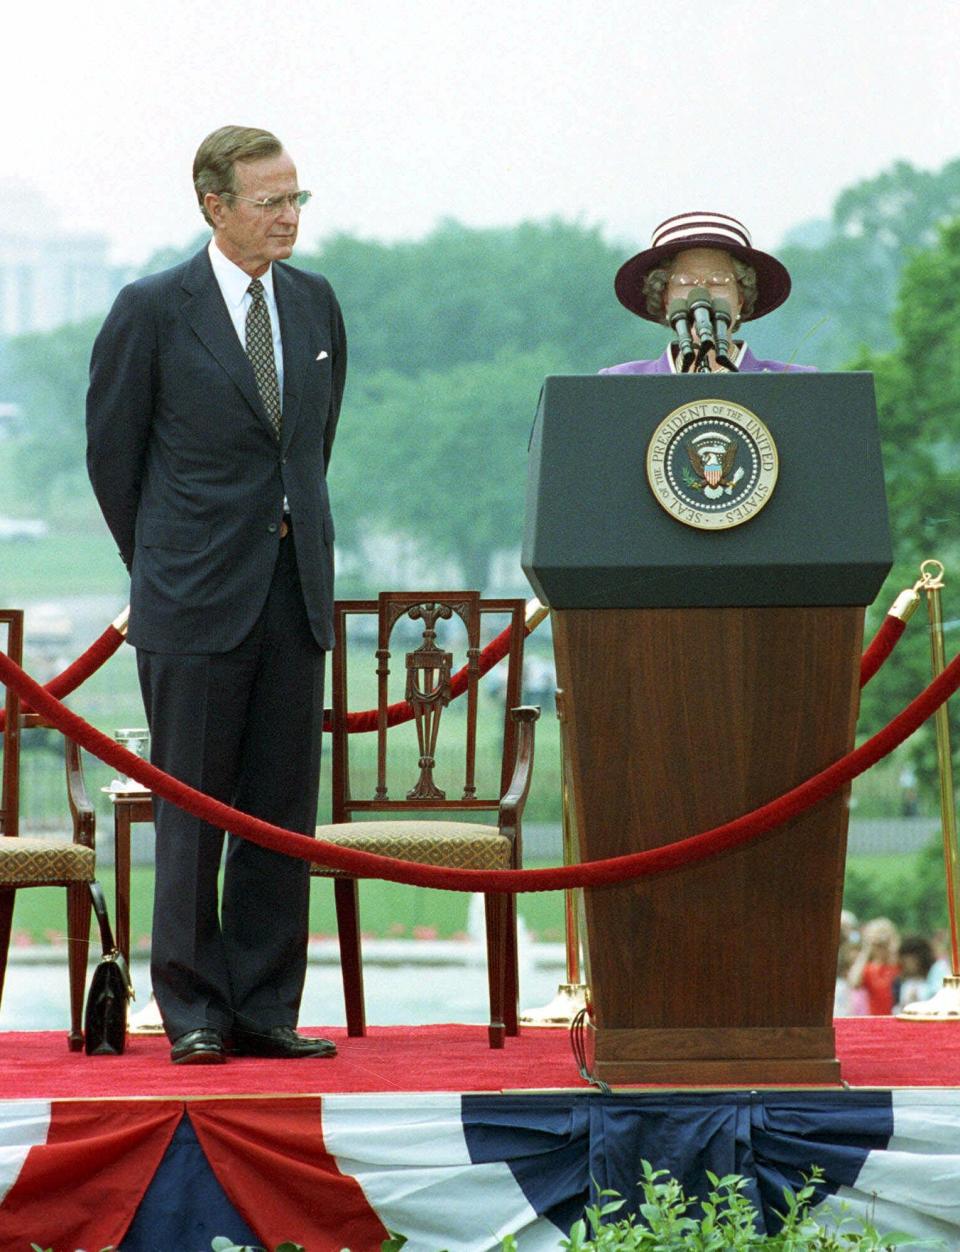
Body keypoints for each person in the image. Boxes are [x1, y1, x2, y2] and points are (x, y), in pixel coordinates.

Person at [86, 125, 347, 1065]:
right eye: (271, 201)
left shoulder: (316, 306)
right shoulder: (153, 308)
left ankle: (264, 1003)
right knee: (195, 809)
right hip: (192, 598)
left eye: (296, 199)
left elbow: (308, 452)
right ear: (214, 205)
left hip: (293, 592)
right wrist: (161, 564)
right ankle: (193, 1008)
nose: (288, 217)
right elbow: (114, 460)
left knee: (282, 808)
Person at [600, 211, 815, 375]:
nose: (701, 295)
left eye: (718, 281)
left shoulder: (793, 383)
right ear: (665, 298)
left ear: (740, 298)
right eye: (685, 281)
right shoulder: (622, 384)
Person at [847, 917, 900, 1016]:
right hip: (875, 1018)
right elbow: (854, 982)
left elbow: (897, 965)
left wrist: (891, 944)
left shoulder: (897, 963)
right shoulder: (869, 968)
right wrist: (867, 948)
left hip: (895, 1017)